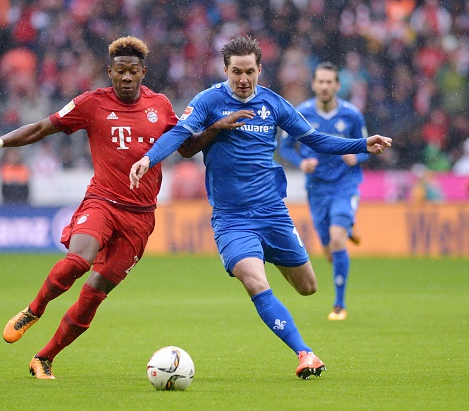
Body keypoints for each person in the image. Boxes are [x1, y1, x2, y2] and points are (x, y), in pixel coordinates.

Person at [130, 35, 391, 380]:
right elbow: (180, 135)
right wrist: (148, 159)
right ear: (225, 70)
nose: (242, 79)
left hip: (272, 213)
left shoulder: (273, 104)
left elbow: (313, 138)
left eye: (249, 71)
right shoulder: (209, 100)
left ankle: (268, 255)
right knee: (255, 282)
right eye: (236, 71)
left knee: (308, 287)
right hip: (232, 219)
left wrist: (361, 144)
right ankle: (305, 353)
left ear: (259, 69)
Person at [0, 36, 222, 380]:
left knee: (93, 296)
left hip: (141, 217)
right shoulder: (91, 103)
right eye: (120, 71)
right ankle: (33, 310)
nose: (127, 78)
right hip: (102, 202)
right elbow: (43, 128)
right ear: (110, 71)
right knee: (77, 261)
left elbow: (185, 148)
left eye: (133, 71)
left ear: (143, 72)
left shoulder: (160, 105)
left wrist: (217, 129)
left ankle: (43, 358)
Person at [280, 61, 369, 321]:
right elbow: (286, 147)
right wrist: (301, 162)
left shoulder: (352, 115)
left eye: (330, 82)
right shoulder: (302, 113)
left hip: (344, 185)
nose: (325, 86)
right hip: (317, 189)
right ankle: (348, 227)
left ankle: (339, 306)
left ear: (338, 85)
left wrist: (358, 157)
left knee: (337, 238)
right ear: (314, 84)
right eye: (321, 81)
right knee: (329, 252)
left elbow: (365, 146)